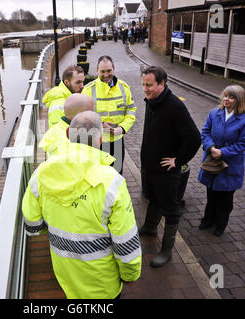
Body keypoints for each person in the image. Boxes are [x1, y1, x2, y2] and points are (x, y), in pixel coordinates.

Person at [22, 111, 142, 299]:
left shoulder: (42, 173)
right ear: (101, 139)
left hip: (65, 273)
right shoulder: (112, 181)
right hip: (103, 283)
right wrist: (130, 274)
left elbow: (32, 226)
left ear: (68, 134)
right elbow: (125, 241)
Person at [139, 66, 200, 268]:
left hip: (166, 171)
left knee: (171, 208)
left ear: (162, 84)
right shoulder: (151, 101)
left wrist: (178, 160)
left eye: (149, 85)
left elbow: (194, 138)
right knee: (153, 198)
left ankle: (166, 250)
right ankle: (149, 227)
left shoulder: (175, 106)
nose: (145, 89)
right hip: (150, 167)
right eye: (143, 84)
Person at [198, 85, 245, 236]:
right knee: (211, 195)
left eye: (231, 97)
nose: (226, 99)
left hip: (230, 166)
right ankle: (208, 220)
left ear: (239, 100)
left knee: (225, 199)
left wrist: (223, 152)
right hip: (212, 160)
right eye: (225, 96)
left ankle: (220, 224)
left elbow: (243, 144)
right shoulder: (215, 113)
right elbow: (205, 132)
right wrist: (211, 147)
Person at [82, 56, 136, 175]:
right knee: (98, 177)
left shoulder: (124, 88)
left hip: (117, 141)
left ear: (113, 69)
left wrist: (122, 128)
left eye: (108, 71)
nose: (106, 75)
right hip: (97, 142)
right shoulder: (88, 90)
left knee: (116, 176)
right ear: (97, 71)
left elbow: (131, 111)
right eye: (102, 71)